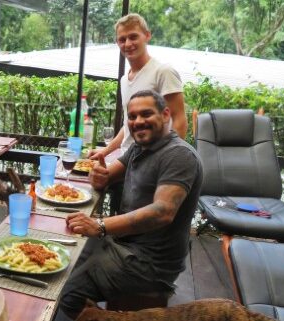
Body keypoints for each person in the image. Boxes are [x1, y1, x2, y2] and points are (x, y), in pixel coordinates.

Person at [54, 90, 203, 321]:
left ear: (165, 115)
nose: (138, 122)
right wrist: (99, 175)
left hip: (150, 263)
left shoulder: (179, 155)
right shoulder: (139, 148)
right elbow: (107, 176)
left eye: (146, 114)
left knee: (66, 293)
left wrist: (100, 225)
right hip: (124, 244)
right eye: (132, 117)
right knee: (65, 258)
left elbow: (162, 212)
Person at [89, 13, 187, 160]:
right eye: (122, 39)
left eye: (133, 37)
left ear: (147, 36)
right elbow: (128, 126)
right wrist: (104, 152)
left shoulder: (163, 72)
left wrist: (166, 160)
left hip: (152, 162)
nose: (127, 44)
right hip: (128, 160)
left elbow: (179, 120)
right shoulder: (124, 80)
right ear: (117, 43)